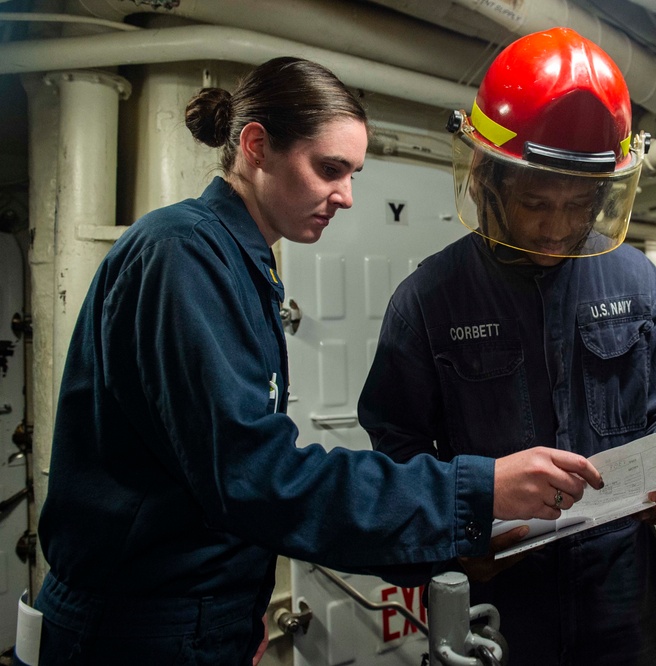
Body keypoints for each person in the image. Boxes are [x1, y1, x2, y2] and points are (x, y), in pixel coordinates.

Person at [26, 56, 604, 666]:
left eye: (354, 174)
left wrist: (238, 611)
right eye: (330, 169)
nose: (347, 197)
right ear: (256, 146)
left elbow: (229, 483)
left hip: (195, 615)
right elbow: (257, 478)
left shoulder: (238, 262)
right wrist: (480, 490)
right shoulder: (182, 256)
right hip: (139, 627)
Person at [359, 28, 656, 666]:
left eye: (580, 205)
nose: (557, 228)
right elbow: (398, 453)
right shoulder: (428, 301)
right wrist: (451, 537)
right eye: (535, 204)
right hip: (501, 605)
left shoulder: (637, 282)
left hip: (626, 607)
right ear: (484, 180)